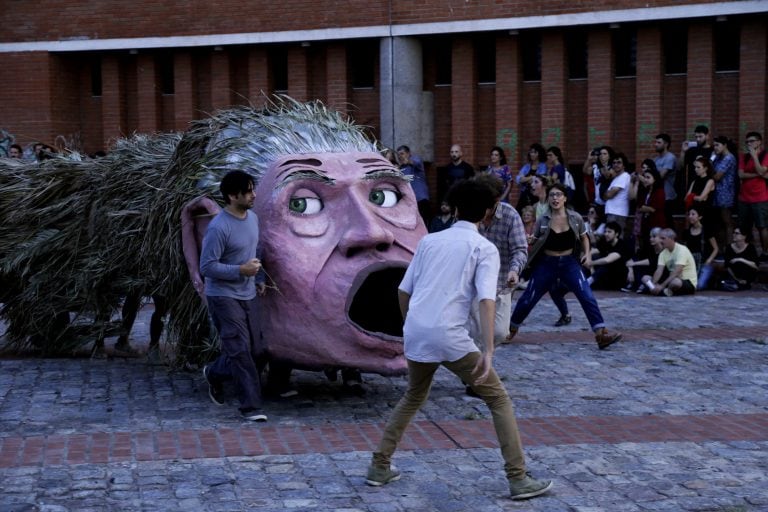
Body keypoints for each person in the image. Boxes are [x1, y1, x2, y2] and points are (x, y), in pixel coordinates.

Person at [366, 179, 554, 501]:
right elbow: (486, 300)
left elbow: (403, 290)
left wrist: (412, 324)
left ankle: (379, 466)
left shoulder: (429, 242)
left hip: (417, 329)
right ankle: (518, 477)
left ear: (453, 209)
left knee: (413, 396)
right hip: (449, 335)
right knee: (498, 399)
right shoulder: (483, 247)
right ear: (488, 212)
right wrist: (489, 350)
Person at [507, 183, 622, 349]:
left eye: (559, 195)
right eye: (552, 195)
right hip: (547, 263)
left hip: (569, 263)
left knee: (586, 295)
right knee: (528, 298)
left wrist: (587, 254)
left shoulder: (575, 218)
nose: (555, 198)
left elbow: (584, 237)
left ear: (565, 198)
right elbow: (537, 238)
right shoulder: (543, 219)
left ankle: (601, 334)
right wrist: (532, 240)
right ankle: (510, 331)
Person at [200, 170, 269, 422]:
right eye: (248, 191)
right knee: (239, 350)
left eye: (253, 189)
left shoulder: (252, 218)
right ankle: (251, 406)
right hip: (223, 296)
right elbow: (207, 267)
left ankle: (214, 372)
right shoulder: (218, 228)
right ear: (232, 196)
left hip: (248, 293)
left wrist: (258, 278)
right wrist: (241, 270)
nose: (254, 195)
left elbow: (255, 250)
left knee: (259, 350)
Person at [469, 174, 528, 347]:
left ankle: (482, 360)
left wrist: (514, 270)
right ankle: (479, 367)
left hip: (501, 282)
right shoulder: (469, 214)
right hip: (474, 283)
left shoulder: (510, 216)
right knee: (476, 331)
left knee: (501, 332)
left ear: (496, 200)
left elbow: (520, 249)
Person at [737, 132, 768, 262]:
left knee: (762, 226)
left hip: (760, 198)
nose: (749, 144)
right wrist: (758, 174)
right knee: (745, 228)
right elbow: (741, 175)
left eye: (752, 141)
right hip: (744, 198)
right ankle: (749, 251)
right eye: (747, 142)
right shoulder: (743, 157)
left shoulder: (765, 155)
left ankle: (765, 253)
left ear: (759, 142)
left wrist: (755, 157)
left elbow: (762, 170)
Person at [640, 228, 697, 296]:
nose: (661, 241)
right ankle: (660, 291)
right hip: (670, 281)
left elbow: (676, 272)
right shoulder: (663, 253)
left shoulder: (682, 250)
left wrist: (662, 286)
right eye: (660, 238)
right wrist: (654, 284)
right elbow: (659, 270)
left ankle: (662, 291)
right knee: (645, 278)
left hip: (686, 282)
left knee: (676, 282)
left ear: (671, 239)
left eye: (663, 238)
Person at [630, 160, 666, 254]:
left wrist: (646, 208)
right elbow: (639, 205)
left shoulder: (659, 191)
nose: (645, 179)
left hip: (657, 222)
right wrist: (646, 208)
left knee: (657, 247)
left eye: (648, 177)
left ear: (655, 179)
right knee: (646, 245)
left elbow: (654, 208)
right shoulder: (645, 191)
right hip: (646, 223)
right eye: (645, 177)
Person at [586, 221, 632, 290]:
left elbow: (607, 260)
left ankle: (588, 282)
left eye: (609, 232)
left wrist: (590, 263)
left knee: (607, 264)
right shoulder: (605, 242)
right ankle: (581, 281)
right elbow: (591, 252)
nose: (606, 234)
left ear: (616, 234)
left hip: (618, 276)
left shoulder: (621, 245)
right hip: (606, 275)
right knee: (591, 257)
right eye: (605, 232)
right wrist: (590, 265)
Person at [711, 135, 738, 251]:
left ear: (725, 145)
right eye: (714, 145)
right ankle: (721, 249)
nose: (715, 148)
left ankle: (730, 248)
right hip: (716, 194)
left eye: (717, 145)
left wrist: (709, 167)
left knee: (727, 221)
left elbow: (717, 176)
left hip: (725, 193)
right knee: (719, 223)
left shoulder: (729, 158)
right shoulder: (718, 157)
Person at [683, 207, 718, 290]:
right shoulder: (686, 232)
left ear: (700, 217)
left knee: (699, 286)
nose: (690, 216)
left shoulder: (706, 231)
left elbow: (715, 248)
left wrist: (709, 260)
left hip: (704, 263)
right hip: (691, 264)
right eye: (689, 215)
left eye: (693, 214)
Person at [397, 145, 431, 226]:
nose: (400, 156)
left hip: (421, 199)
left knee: (424, 224)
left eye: (402, 154)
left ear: (408, 154)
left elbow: (417, 162)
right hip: (409, 201)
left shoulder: (415, 159)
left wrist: (408, 161)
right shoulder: (401, 168)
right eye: (398, 155)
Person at [622, 227, 664, 293]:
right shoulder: (648, 248)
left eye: (654, 237)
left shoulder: (664, 251)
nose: (651, 239)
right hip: (647, 276)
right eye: (650, 237)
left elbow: (652, 261)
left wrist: (634, 263)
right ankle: (635, 284)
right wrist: (630, 271)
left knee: (644, 275)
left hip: (659, 276)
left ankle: (649, 288)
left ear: (661, 238)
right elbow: (631, 260)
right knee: (639, 270)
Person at [685, 156, 716, 230]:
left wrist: (692, 196)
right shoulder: (694, 181)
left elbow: (701, 198)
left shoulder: (710, 181)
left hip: (705, 212)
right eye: (695, 167)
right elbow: (686, 197)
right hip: (693, 211)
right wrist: (694, 197)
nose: (696, 169)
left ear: (705, 168)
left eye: (698, 167)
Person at [654, 134, 678, 229]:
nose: (656, 144)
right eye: (655, 142)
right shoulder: (655, 159)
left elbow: (661, 176)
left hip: (667, 196)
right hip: (658, 195)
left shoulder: (670, 157)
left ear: (666, 144)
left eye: (659, 142)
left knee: (667, 222)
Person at [680, 125, 713, 193]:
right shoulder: (692, 150)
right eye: (696, 137)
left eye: (700, 136)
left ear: (707, 136)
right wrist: (683, 152)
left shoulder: (712, 151)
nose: (698, 139)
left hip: (707, 186)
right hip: (693, 185)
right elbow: (681, 166)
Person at [603, 152, 631, 230]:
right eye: (614, 163)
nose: (616, 164)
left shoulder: (624, 176)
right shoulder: (616, 178)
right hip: (614, 213)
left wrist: (606, 195)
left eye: (619, 162)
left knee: (615, 239)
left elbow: (609, 195)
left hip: (617, 214)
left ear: (624, 165)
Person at [516, 143, 547, 210]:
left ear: (539, 153)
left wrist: (526, 178)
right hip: (525, 194)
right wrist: (531, 177)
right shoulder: (526, 166)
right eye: (531, 152)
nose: (532, 154)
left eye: (534, 152)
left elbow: (539, 179)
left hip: (536, 195)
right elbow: (519, 180)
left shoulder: (543, 166)